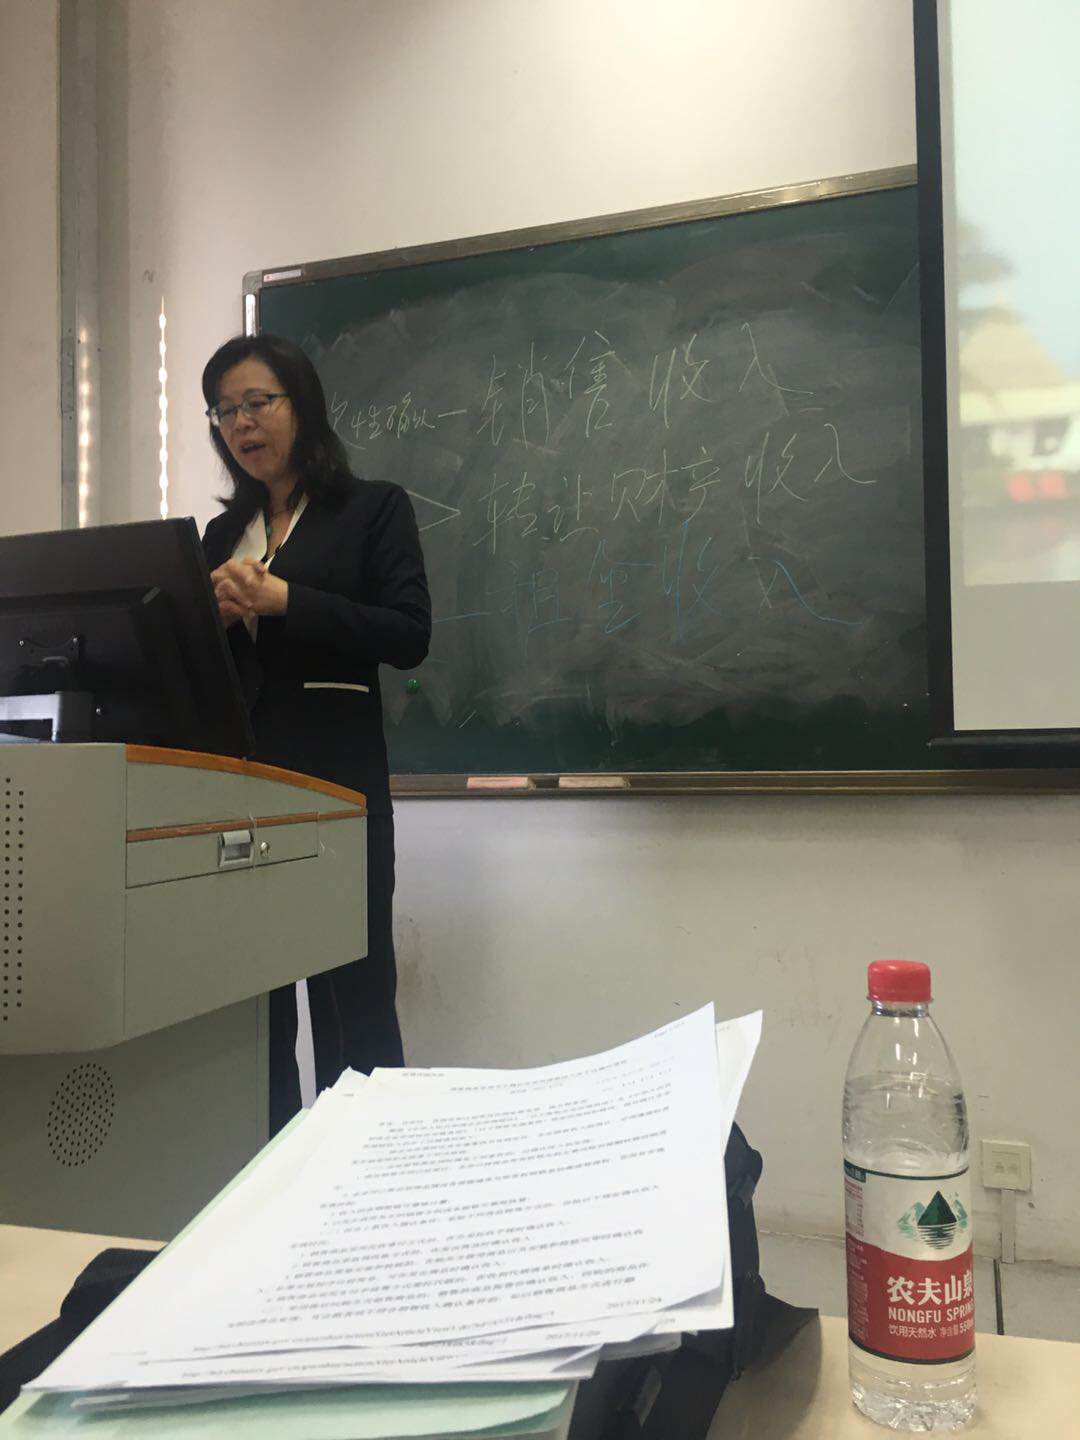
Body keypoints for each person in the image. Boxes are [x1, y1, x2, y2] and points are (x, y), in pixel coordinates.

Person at [200, 333, 431, 1134]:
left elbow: (408, 633)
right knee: (255, 1011)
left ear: (301, 405)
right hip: (239, 798)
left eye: (256, 402)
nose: (241, 423)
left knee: (352, 1003)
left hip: (336, 794)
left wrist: (286, 602)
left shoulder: (373, 509)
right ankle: (263, 1168)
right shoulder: (219, 537)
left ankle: (368, 1168)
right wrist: (210, 620)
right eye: (224, 411)